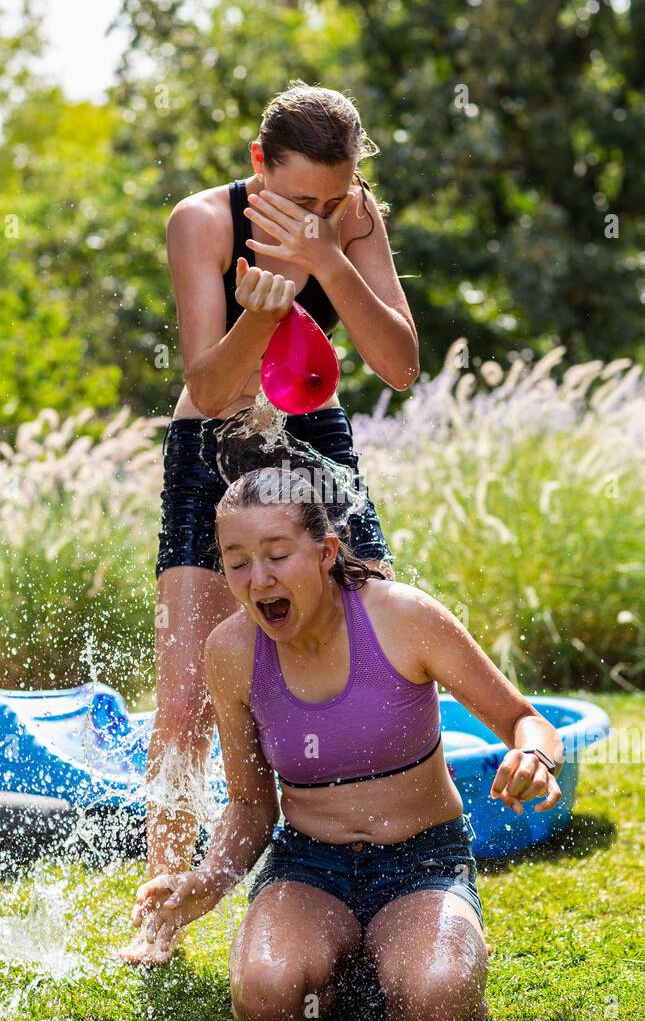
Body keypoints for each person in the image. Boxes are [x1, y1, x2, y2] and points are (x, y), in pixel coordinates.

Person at [121, 81, 420, 964]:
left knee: (381, 644)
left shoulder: (353, 220)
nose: (319, 214)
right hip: (212, 440)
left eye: (335, 198)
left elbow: (399, 365)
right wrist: (265, 309)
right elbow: (213, 390)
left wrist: (328, 258)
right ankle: (161, 913)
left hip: (312, 431)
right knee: (183, 702)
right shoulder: (203, 224)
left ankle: (385, 880)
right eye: (299, 200)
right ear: (258, 166)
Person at [127, 468, 565, 1021]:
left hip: (421, 862)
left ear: (327, 552)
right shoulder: (231, 652)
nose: (258, 580)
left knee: (436, 1012)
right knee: (265, 1005)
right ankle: (348, 956)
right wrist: (211, 877)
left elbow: (524, 720)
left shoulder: (402, 618)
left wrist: (535, 755)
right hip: (309, 867)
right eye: (237, 561)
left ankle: (411, 946)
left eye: (278, 555)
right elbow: (253, 803)